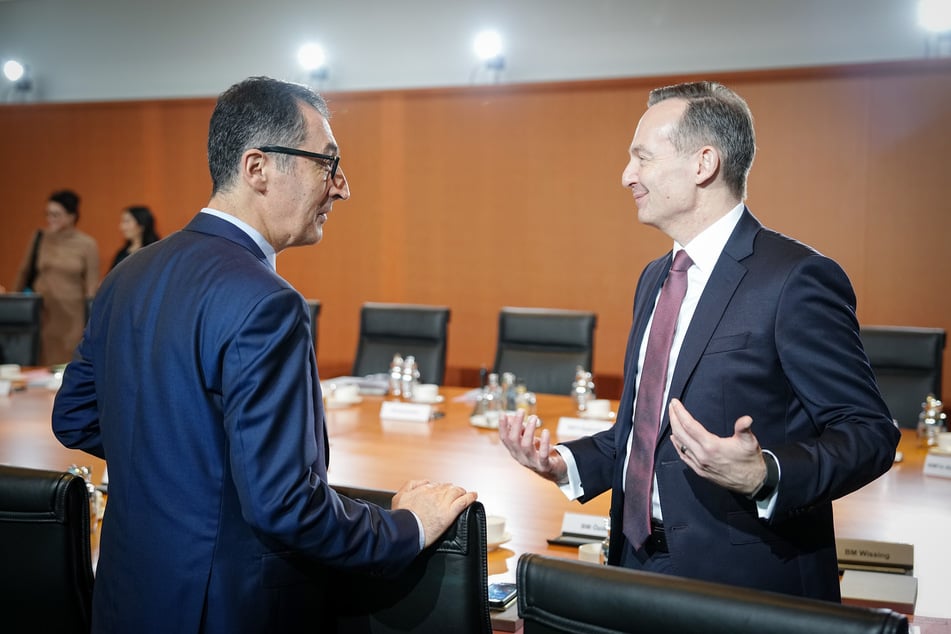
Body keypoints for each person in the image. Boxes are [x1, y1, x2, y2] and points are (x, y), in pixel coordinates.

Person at [52, 76, 477, 632]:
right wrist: (408, 527)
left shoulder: (127, 275)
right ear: (258, 168)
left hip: (127, 596)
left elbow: (76, 417)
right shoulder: (268, 303)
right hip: (225, 609)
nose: (342, 187)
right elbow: (284, 504)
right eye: (328, 164)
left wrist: (184, 462)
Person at [499, 81, 899, 601]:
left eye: (642, 157)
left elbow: (869, 433)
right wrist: (563, 464)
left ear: (703, 163)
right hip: (634, 560)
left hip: (745, 584)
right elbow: (642, 433)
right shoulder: (655, 277)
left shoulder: (796, 278)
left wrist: (767, 473)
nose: (627, 176)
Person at [11, 189, 99, 365]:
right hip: (43, 313)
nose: (50, 219)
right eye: (48, 214)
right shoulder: (40, 237)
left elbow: (92, 285)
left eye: (56, 215)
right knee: (38, 361)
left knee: (67, 364)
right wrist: (14, 302)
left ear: (71, 216)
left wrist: (91, 323)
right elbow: (24, 271)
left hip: (72, 317)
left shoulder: (87, 244)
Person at [110, 205, 160, 269]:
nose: (122, 227)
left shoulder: (155, 252)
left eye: (127, 222)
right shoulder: (121, 254)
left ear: (141, 224)